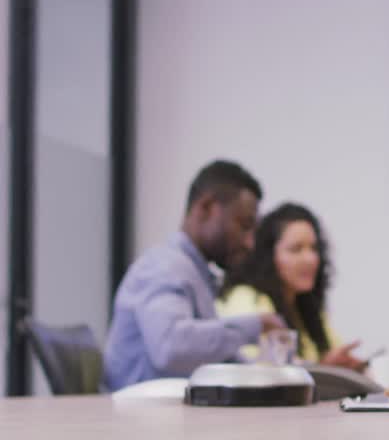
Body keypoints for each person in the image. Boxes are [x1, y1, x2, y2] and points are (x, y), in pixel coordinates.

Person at [104, 160, 286, 389]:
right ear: (207, 207)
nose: (249, 243)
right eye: (244, 225)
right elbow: (170, 349)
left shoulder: (194, 273)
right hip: (141, 417)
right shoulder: (165, 266)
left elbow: (212, 360)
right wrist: (255, 326)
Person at [218, 203, 365, 370]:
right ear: (268, 257)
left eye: (313, 248)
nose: (310, 259)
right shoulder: (246, 298)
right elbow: (258, 372)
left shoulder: (305, 305)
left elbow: (334, 354)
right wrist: (323, 369)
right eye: (296, 249)